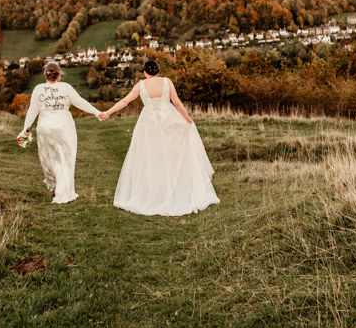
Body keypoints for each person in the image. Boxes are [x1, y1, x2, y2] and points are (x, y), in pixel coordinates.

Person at [99, 59, 219, 216]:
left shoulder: (140, 86)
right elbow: (177, 103)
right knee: (172, 153)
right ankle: (174, 185)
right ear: (157, 71)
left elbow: (125, 101)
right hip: (169, 120)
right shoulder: (167, 82)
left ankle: (157, 189)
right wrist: (187, 119)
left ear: (145, 72)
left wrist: (108, 112)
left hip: (149, 124)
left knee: (152, 156)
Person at [20, 62, 103, 203]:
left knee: (47, 158)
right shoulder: (66, 87)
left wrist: (26, 129)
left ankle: (53, 187)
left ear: (45, 74)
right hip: (64, 126)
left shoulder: (38, 89)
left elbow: (33, 110)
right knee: (65, 158)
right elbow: (80, 102)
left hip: (45, 127)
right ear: (59, 74)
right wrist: (97, 112)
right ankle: (64, 192)